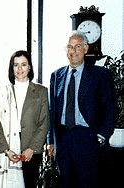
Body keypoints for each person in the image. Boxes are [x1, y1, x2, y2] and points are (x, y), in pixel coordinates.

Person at [47, 30, 119, 188]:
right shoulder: (56, 76)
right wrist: (51, 141)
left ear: (86, 49)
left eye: (77, 46)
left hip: (88, 139)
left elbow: (111, 109)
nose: (73, 51)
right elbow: (52, 112)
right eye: (69, 47)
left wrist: (100, 137)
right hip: (64, 139)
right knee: (66, 184)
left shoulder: (100, 75)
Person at [0, 50, 50, 188]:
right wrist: (6, 150)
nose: (19, 69)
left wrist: (31, 148)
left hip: (31, 151)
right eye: (16, 65)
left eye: (23, 64)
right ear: (11, 68)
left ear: (29, 67)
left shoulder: (41, 91)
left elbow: (44, 122)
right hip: (8, 149)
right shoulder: (2, 92)